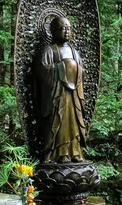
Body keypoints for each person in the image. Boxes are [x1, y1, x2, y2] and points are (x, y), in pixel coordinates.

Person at [36, 17, 86, 163]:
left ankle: (75, 151)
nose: (66, 31)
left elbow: (81, 71)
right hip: (57, 96)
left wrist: (74, 69)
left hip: (74, 95)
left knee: (74, 121)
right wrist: (63, 67)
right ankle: (59, 153)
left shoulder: (74, 51)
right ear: (53, 31)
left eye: (68, 28)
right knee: (59, 120)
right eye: (62, 28)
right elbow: (42, 72)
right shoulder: (49, 51)